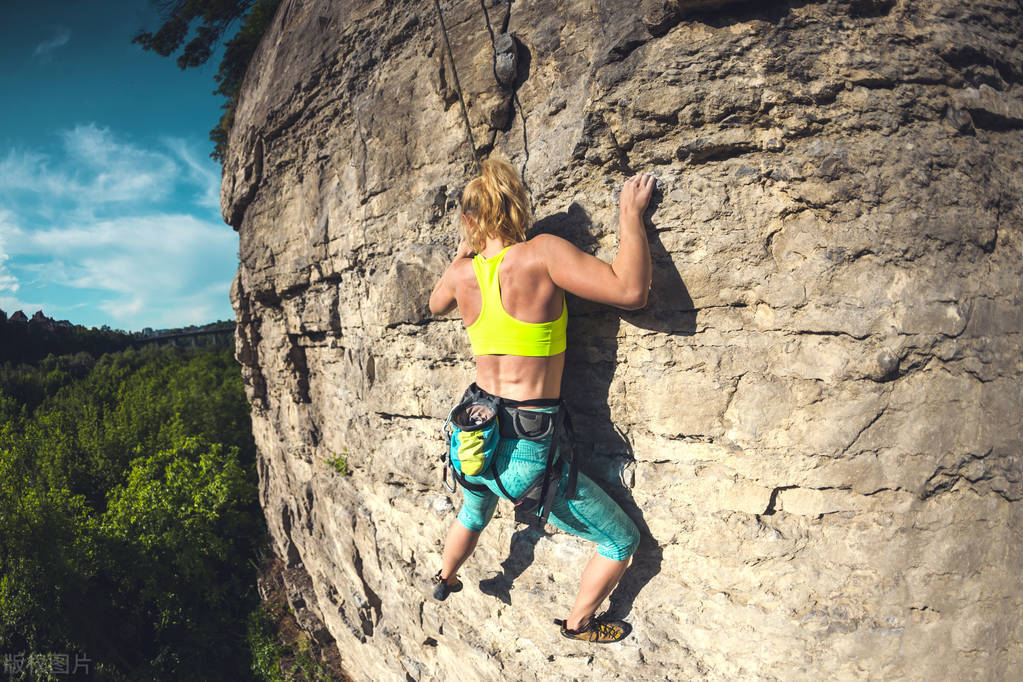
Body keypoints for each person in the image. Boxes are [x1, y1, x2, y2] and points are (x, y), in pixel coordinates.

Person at [428, 158, 655, 643]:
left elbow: (433, 304)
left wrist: (464, 249)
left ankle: (445, 576)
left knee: (473, 508)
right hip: (527, 452)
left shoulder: (461, 274)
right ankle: (579, 623)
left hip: (473, 435)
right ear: (518, 205)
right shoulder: (541, 254)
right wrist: (629, 214)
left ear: (469, 220)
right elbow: (631, 290)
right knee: (620, 540)